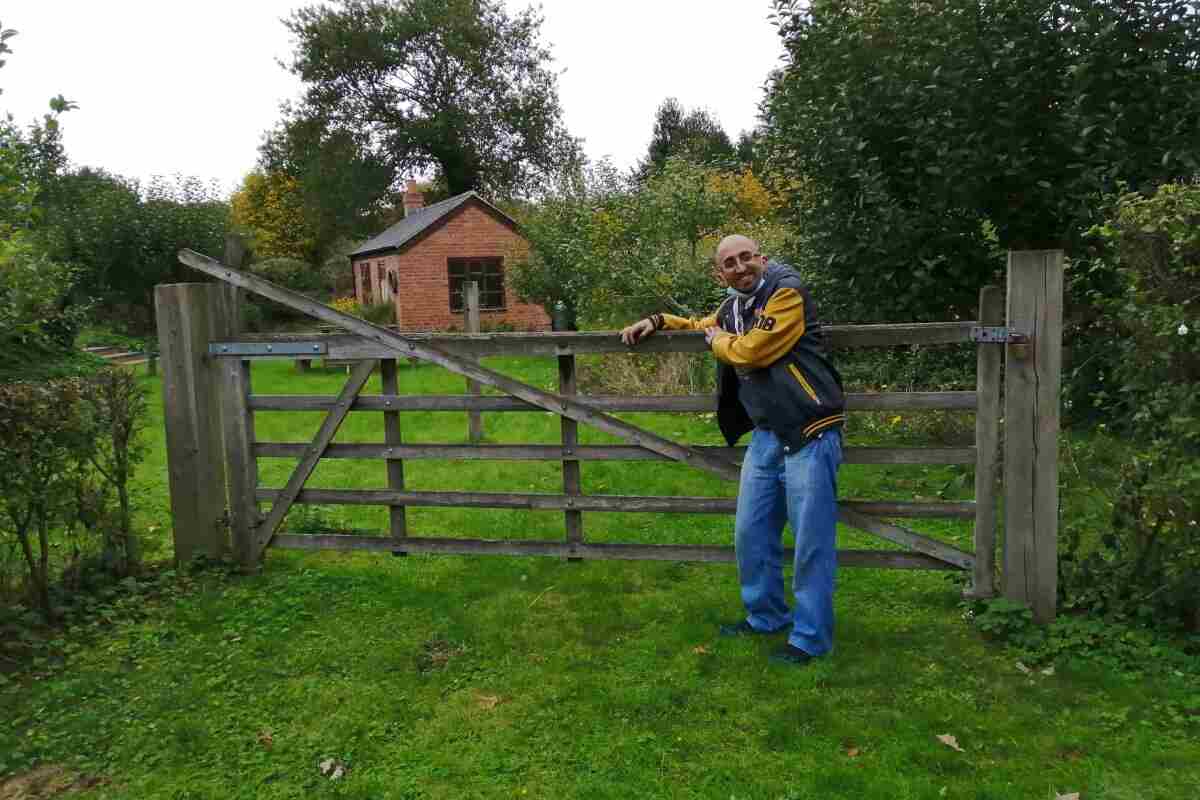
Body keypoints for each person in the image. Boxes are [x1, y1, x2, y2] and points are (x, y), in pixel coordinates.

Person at [619, 235, 845, 665]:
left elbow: (751, 353)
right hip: (767, 435)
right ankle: (766, 616)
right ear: (719, 273)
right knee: (750, 532)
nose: (740, 267)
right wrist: (659, 320)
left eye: (746, 258)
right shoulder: (733, 307)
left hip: (811, 429)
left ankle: (810, 638)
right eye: (729, 263)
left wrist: (717, 343)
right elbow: (704, 326)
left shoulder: (786, 293)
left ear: (761, 257)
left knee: (811, 543)